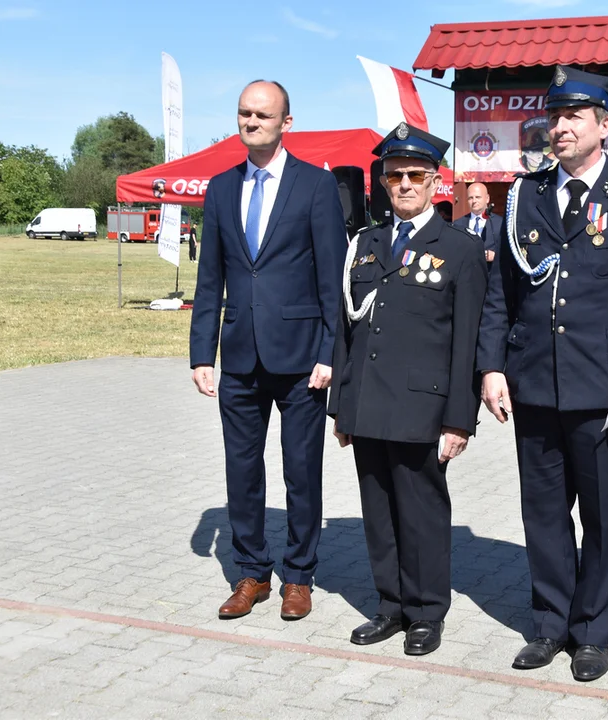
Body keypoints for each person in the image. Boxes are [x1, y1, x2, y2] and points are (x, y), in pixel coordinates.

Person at [477, 65, 608, 682]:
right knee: (541, 513)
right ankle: (549, 623)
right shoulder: (524, 196)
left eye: (574, 117)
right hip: (533, 380)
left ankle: (593, 631)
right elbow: (499, 295)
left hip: (605, 391)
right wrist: (490, 367)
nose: (560, 127)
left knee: (600, 514)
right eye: (554, 116)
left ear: (603, 125)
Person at [189, 80, 348, 622]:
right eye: (244, 113)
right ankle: (252, 573)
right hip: (237, 357)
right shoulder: (220, 187)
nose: (251, 122)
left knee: (301, 470)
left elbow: (333, 278)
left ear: (286, 122)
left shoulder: (314, 187)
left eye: (262, 114)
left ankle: (298, 575)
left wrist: (331, 351)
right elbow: (210, 277)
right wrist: (200, 354)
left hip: (303, 357)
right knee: (241, 469)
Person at [328, 122, 487, 657]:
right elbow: (345, 332)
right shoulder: (365, 245)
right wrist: (341, 407)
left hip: (424, 407)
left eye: (414, 175)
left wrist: (459, 420)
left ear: (435, 180)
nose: (402, 185)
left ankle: (425, 612)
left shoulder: (459, 248)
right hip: (368, 402)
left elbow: (466, 343)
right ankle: (390, 605)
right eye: (393, 175)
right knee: (378, 508)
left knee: (421, 512)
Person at [452, 182, 502, 268]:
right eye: (470, 198)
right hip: (467, 276)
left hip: (490, 275)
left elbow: (508, 252)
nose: (474, 201)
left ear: (487, 198)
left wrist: (496, 256)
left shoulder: (500, 223)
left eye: (478, 197)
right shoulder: (457, 224)